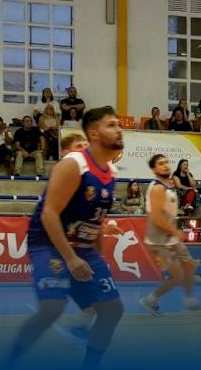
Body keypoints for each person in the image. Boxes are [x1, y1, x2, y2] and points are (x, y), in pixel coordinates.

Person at [7, 107, 125, 368]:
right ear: (94, 134)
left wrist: (99, 258)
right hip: (48, 243)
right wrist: (71, 259)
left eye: (119, 124)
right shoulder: (74, 165)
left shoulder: (111, 172)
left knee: (112, 310)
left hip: (83, 247)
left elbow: (95, 221)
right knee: (52, 308)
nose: (119, 129)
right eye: (111, 125)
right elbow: (49, 214)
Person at [139, 154, 201, 316]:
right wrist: (175, 231)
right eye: (161, 164)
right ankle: (150, 300)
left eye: (166, 162)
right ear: (154, 169)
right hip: (158, 240)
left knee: (189, 265)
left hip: (170, 237)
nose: (165, 165)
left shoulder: (169, 185)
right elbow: (156, 217)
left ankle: (189, 301)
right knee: (178, 276)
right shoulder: (158, 188)